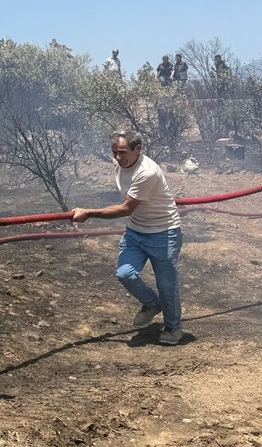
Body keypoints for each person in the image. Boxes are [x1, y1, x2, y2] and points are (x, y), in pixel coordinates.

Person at [71, 130, 186, 345]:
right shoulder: (120, 164)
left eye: (122, 152)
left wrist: (89, 212)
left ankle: (173, 328)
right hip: (136, 231)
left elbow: (126, 208)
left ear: (138, 149)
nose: (117, 157)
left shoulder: (147, 172)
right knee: (125, 274)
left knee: (166, 285)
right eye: (114, 152)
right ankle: (152, 304)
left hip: (164, 232)